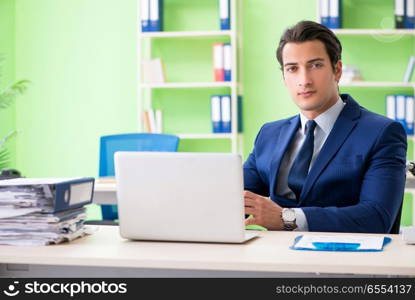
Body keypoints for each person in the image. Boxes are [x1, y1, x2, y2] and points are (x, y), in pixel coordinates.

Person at [243, 20, 407, 233]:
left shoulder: (381, 133)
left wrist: (287, 218)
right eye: (292, 69)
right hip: (278, 259)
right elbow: (233, 198)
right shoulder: (269, 134)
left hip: (345, 261)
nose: (304, 80)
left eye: (315, 65)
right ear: (284, 77)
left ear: (337, 70)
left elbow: (376, 217)